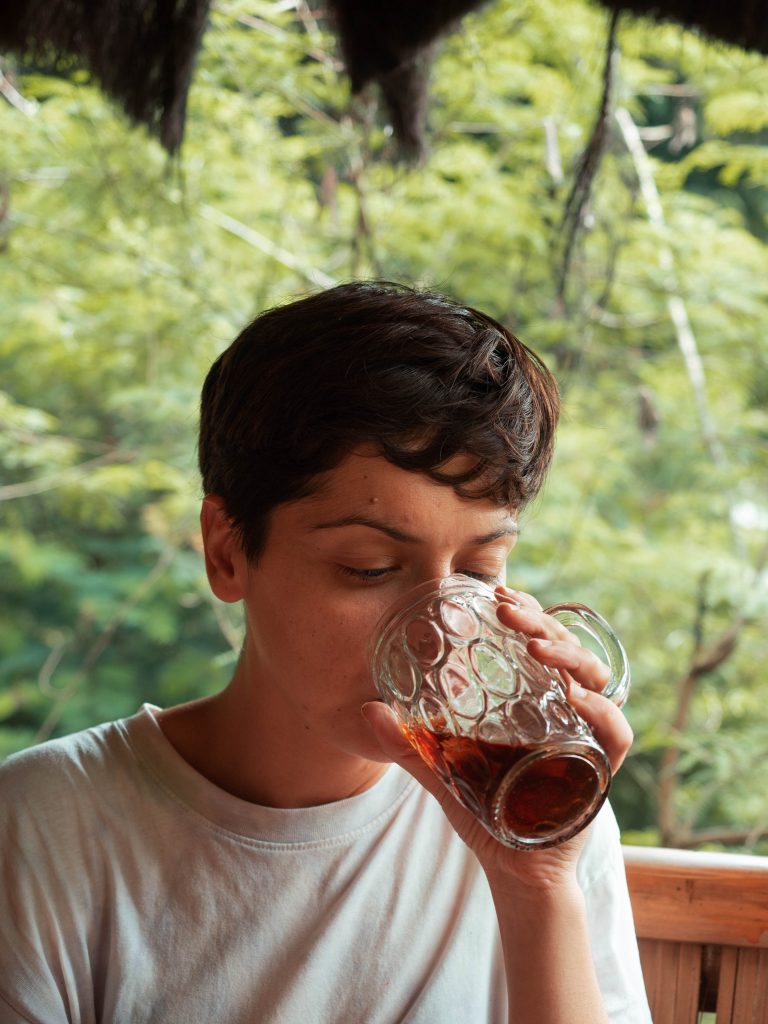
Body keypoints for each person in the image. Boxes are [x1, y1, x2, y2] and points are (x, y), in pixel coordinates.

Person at [0, 282, 651, 1024]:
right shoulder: (45, 828)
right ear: (226, 551)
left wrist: (537, 887)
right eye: (368, 568)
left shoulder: (536, 813)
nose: (438, 631)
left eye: (478, 573)